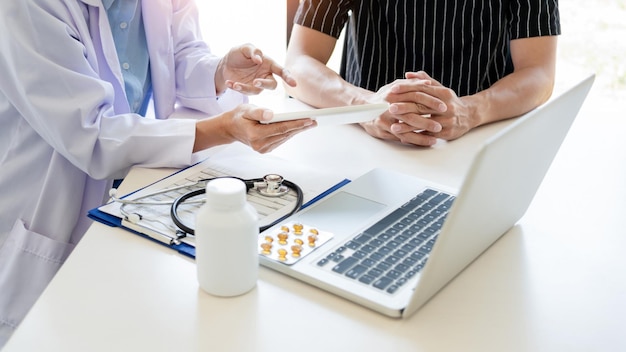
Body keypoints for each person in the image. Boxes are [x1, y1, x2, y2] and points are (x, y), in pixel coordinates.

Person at [0, 0, 315, 345]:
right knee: (55, 333)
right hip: (45, 202)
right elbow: (91, 134)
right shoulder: (27, 6)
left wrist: (222, 71)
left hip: (132, 191)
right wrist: (223, 130)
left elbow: (178, 56)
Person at [284, 0, 561, 147]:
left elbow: (539, 73)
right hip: (367, 144)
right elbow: (298, 62)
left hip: (478, 143)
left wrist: (471, 110)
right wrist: (363, 106)